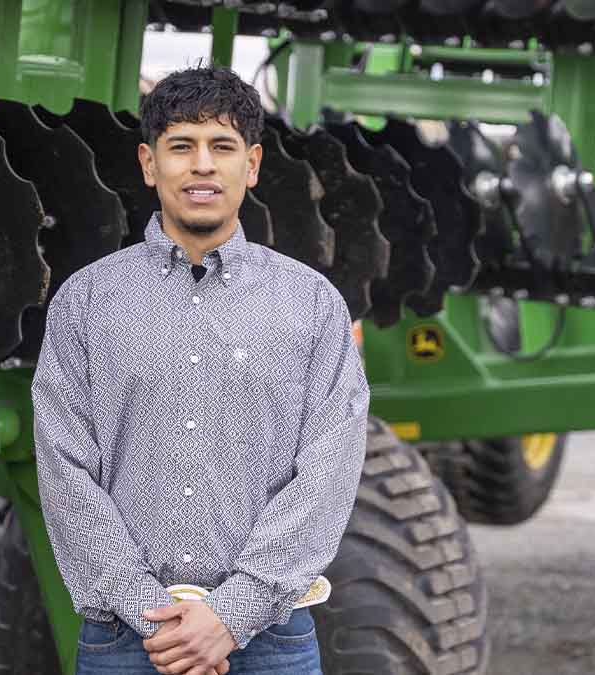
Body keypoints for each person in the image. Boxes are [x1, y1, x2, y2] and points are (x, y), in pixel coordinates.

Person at [32, 65, 370, 675]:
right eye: (181, 146)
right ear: (147, 162)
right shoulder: (86, 303)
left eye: (222, 147)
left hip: (270, 637)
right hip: (128, 640)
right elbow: (64, 472)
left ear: (254, 164)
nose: (202, 166)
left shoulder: (312, 304)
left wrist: (231, 616)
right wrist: (154, 613)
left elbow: (329, 471)